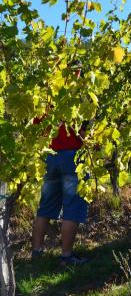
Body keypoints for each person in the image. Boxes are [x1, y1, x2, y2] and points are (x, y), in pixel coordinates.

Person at [31, 62, 89, 266]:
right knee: (72, 206)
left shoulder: (47, 96)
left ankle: (36, 253)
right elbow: (85, 132)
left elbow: (36, 127)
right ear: (78, 72)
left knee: (45, 206)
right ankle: (66, 256)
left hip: (50, 156)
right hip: (73, 157)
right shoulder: (81, 96)